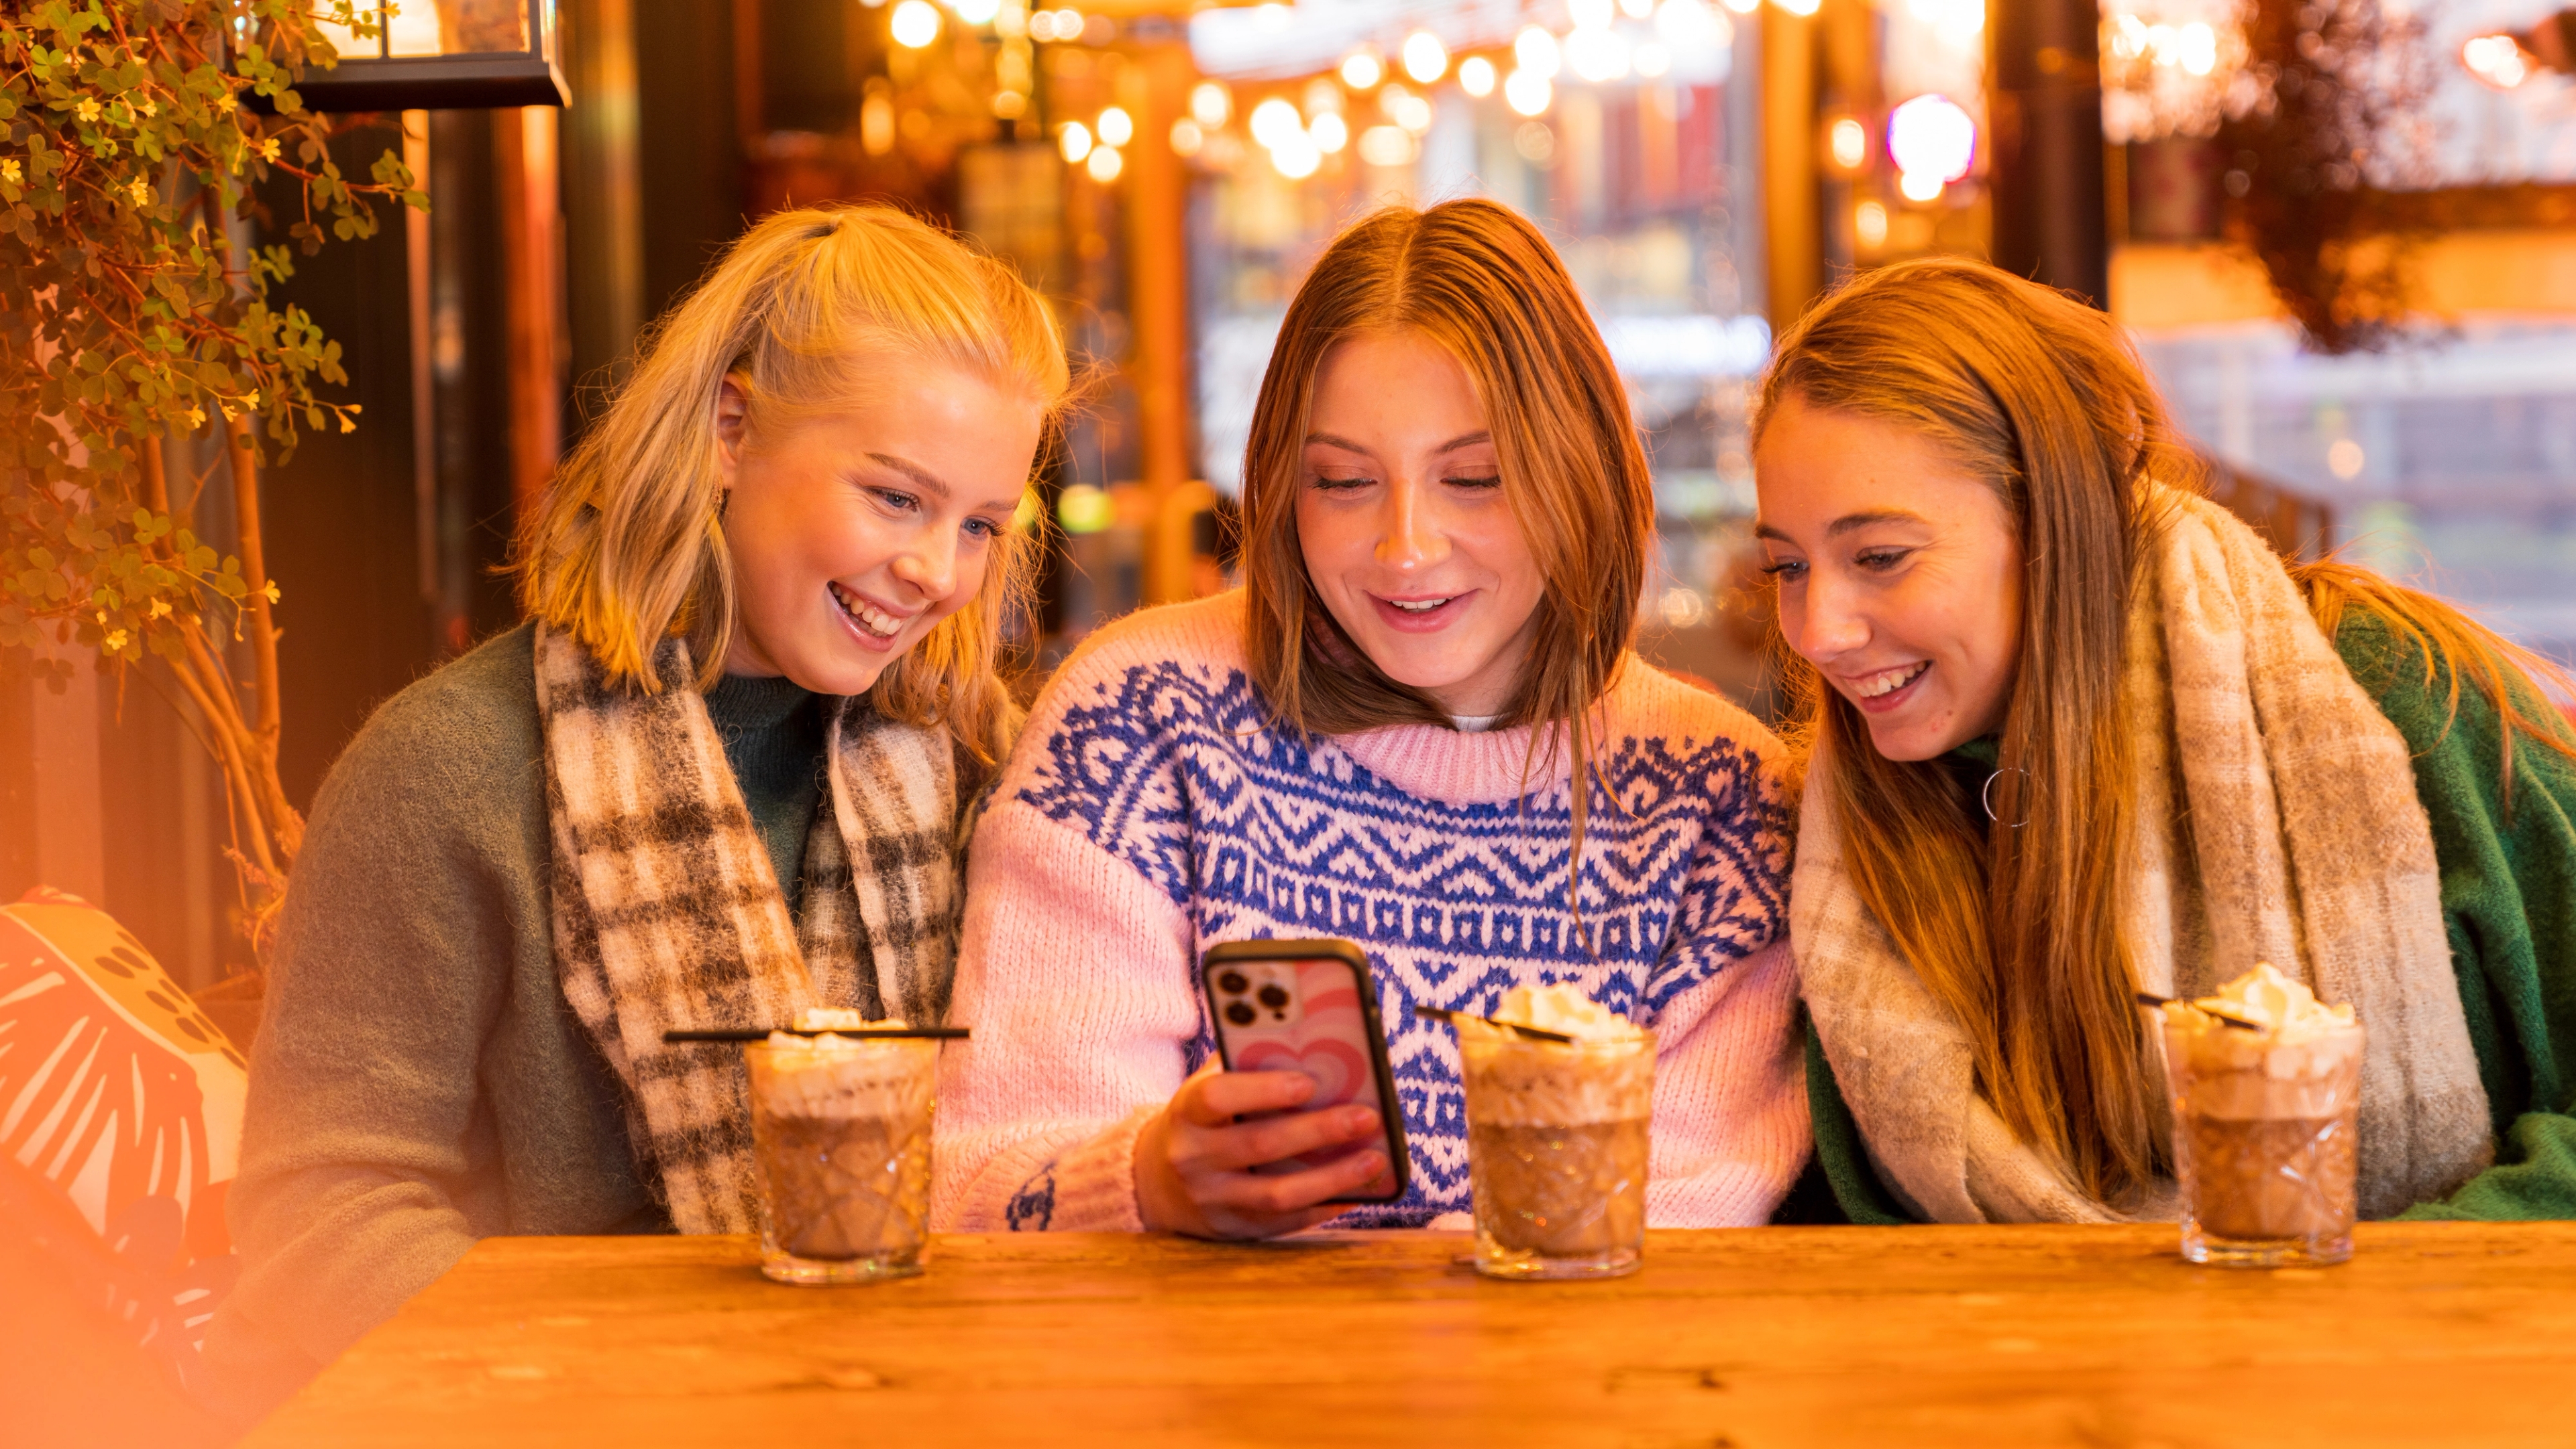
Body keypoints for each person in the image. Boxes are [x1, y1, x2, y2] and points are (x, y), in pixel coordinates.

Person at [204, 205, 1068, 1414]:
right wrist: (620, 1395)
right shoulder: (450, 768)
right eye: (894, 498)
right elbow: (321, 1218)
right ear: (730, 429)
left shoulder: (970, 765)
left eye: (980, 525)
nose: (938, 573)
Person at [933, 199, 1807, 1239]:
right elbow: (977, 1184)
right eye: (1342, 482)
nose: (1404, 548)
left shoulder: (1718, 801)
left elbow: (1687, 1224)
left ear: (1584, 473)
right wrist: (1143, 1182)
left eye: (1474, 479)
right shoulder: (1144, 714)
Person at [1754, 257, 2576, 1226]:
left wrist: (2383, 1282)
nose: (1818, 633)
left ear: (2060, 518)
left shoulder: (2389, 689)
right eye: (1788, 568)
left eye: (1880, 558)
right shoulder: (1832, 833)